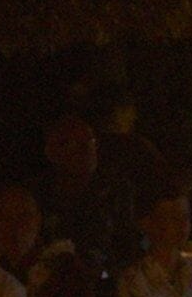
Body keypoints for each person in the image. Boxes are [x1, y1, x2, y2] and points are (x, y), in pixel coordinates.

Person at [33, 112, 133, 265]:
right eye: (74, 143)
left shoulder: (115, 190)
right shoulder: (37, 196)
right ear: (51, 152)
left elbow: (129, 243)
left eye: (90, 141)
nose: (86, 149)